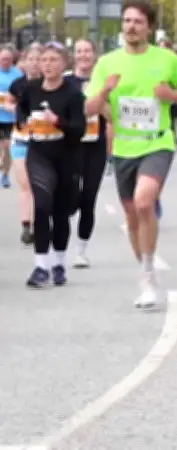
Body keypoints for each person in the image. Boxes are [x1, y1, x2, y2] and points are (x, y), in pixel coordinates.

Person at [85, 0, 177, 308]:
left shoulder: (166, 59)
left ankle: (148, 278)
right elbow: (89, 109)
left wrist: (170, 95)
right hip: (124, 146)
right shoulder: (107, 63)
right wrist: (105, 91)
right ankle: (145, 272)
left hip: (157, 141)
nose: (131, 26)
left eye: (137, 21)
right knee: (132, 216)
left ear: (149, 27)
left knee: (145, 201)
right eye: (127, 21)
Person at [19, 42, 86, 287]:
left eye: (53, 60)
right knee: (42, 205)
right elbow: (22, 109)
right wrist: (23, 123)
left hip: (66, 156)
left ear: (64, 64)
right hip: (39, 154)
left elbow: (78, 130)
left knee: (60, 212)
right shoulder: (32, 89)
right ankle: (40, 267)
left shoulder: (73, 95)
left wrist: (57, 121)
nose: (47, 64)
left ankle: (58, 263)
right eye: (44, 60)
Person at [65, 39, 109, 269]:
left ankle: (81, 251)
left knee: (89, 197)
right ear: (74, 55)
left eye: (87, 51)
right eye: (79, 51)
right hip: (71, 145)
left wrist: (100, 100)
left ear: (94, 55)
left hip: (95, 145)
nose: (83, 55)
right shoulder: (66, 81)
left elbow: (112, 116)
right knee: (71, 197)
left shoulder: (101, 81)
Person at [7, 46, 40, 246]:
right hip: (21, 139)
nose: (35, 63)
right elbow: (8, 102)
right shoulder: (17, 84)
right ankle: (26, 226)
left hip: (43, 142)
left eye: (39, 59)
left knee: (40, 187)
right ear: (24, 61)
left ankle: (39, 225)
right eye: (31, 59)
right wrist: (16, 109)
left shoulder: (50, 84)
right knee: (25, 184)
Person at [0, 46, 23, 188]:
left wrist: (14, 102)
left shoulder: (17, 74)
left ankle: (5, 175)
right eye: (2, 59)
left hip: (10, 118)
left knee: (8, 149)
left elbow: (22, 93)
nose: (5, 62)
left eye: (8, 59)